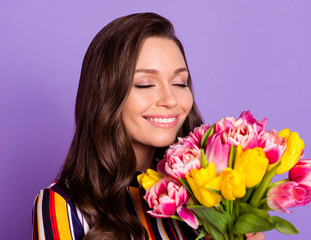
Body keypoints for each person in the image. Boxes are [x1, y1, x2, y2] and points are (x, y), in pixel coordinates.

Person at [32, 12, 265, 240]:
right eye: (145, 84)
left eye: (179, 83)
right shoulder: (61, 204)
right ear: (105, 95)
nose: (170, 100)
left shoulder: (208, 193)